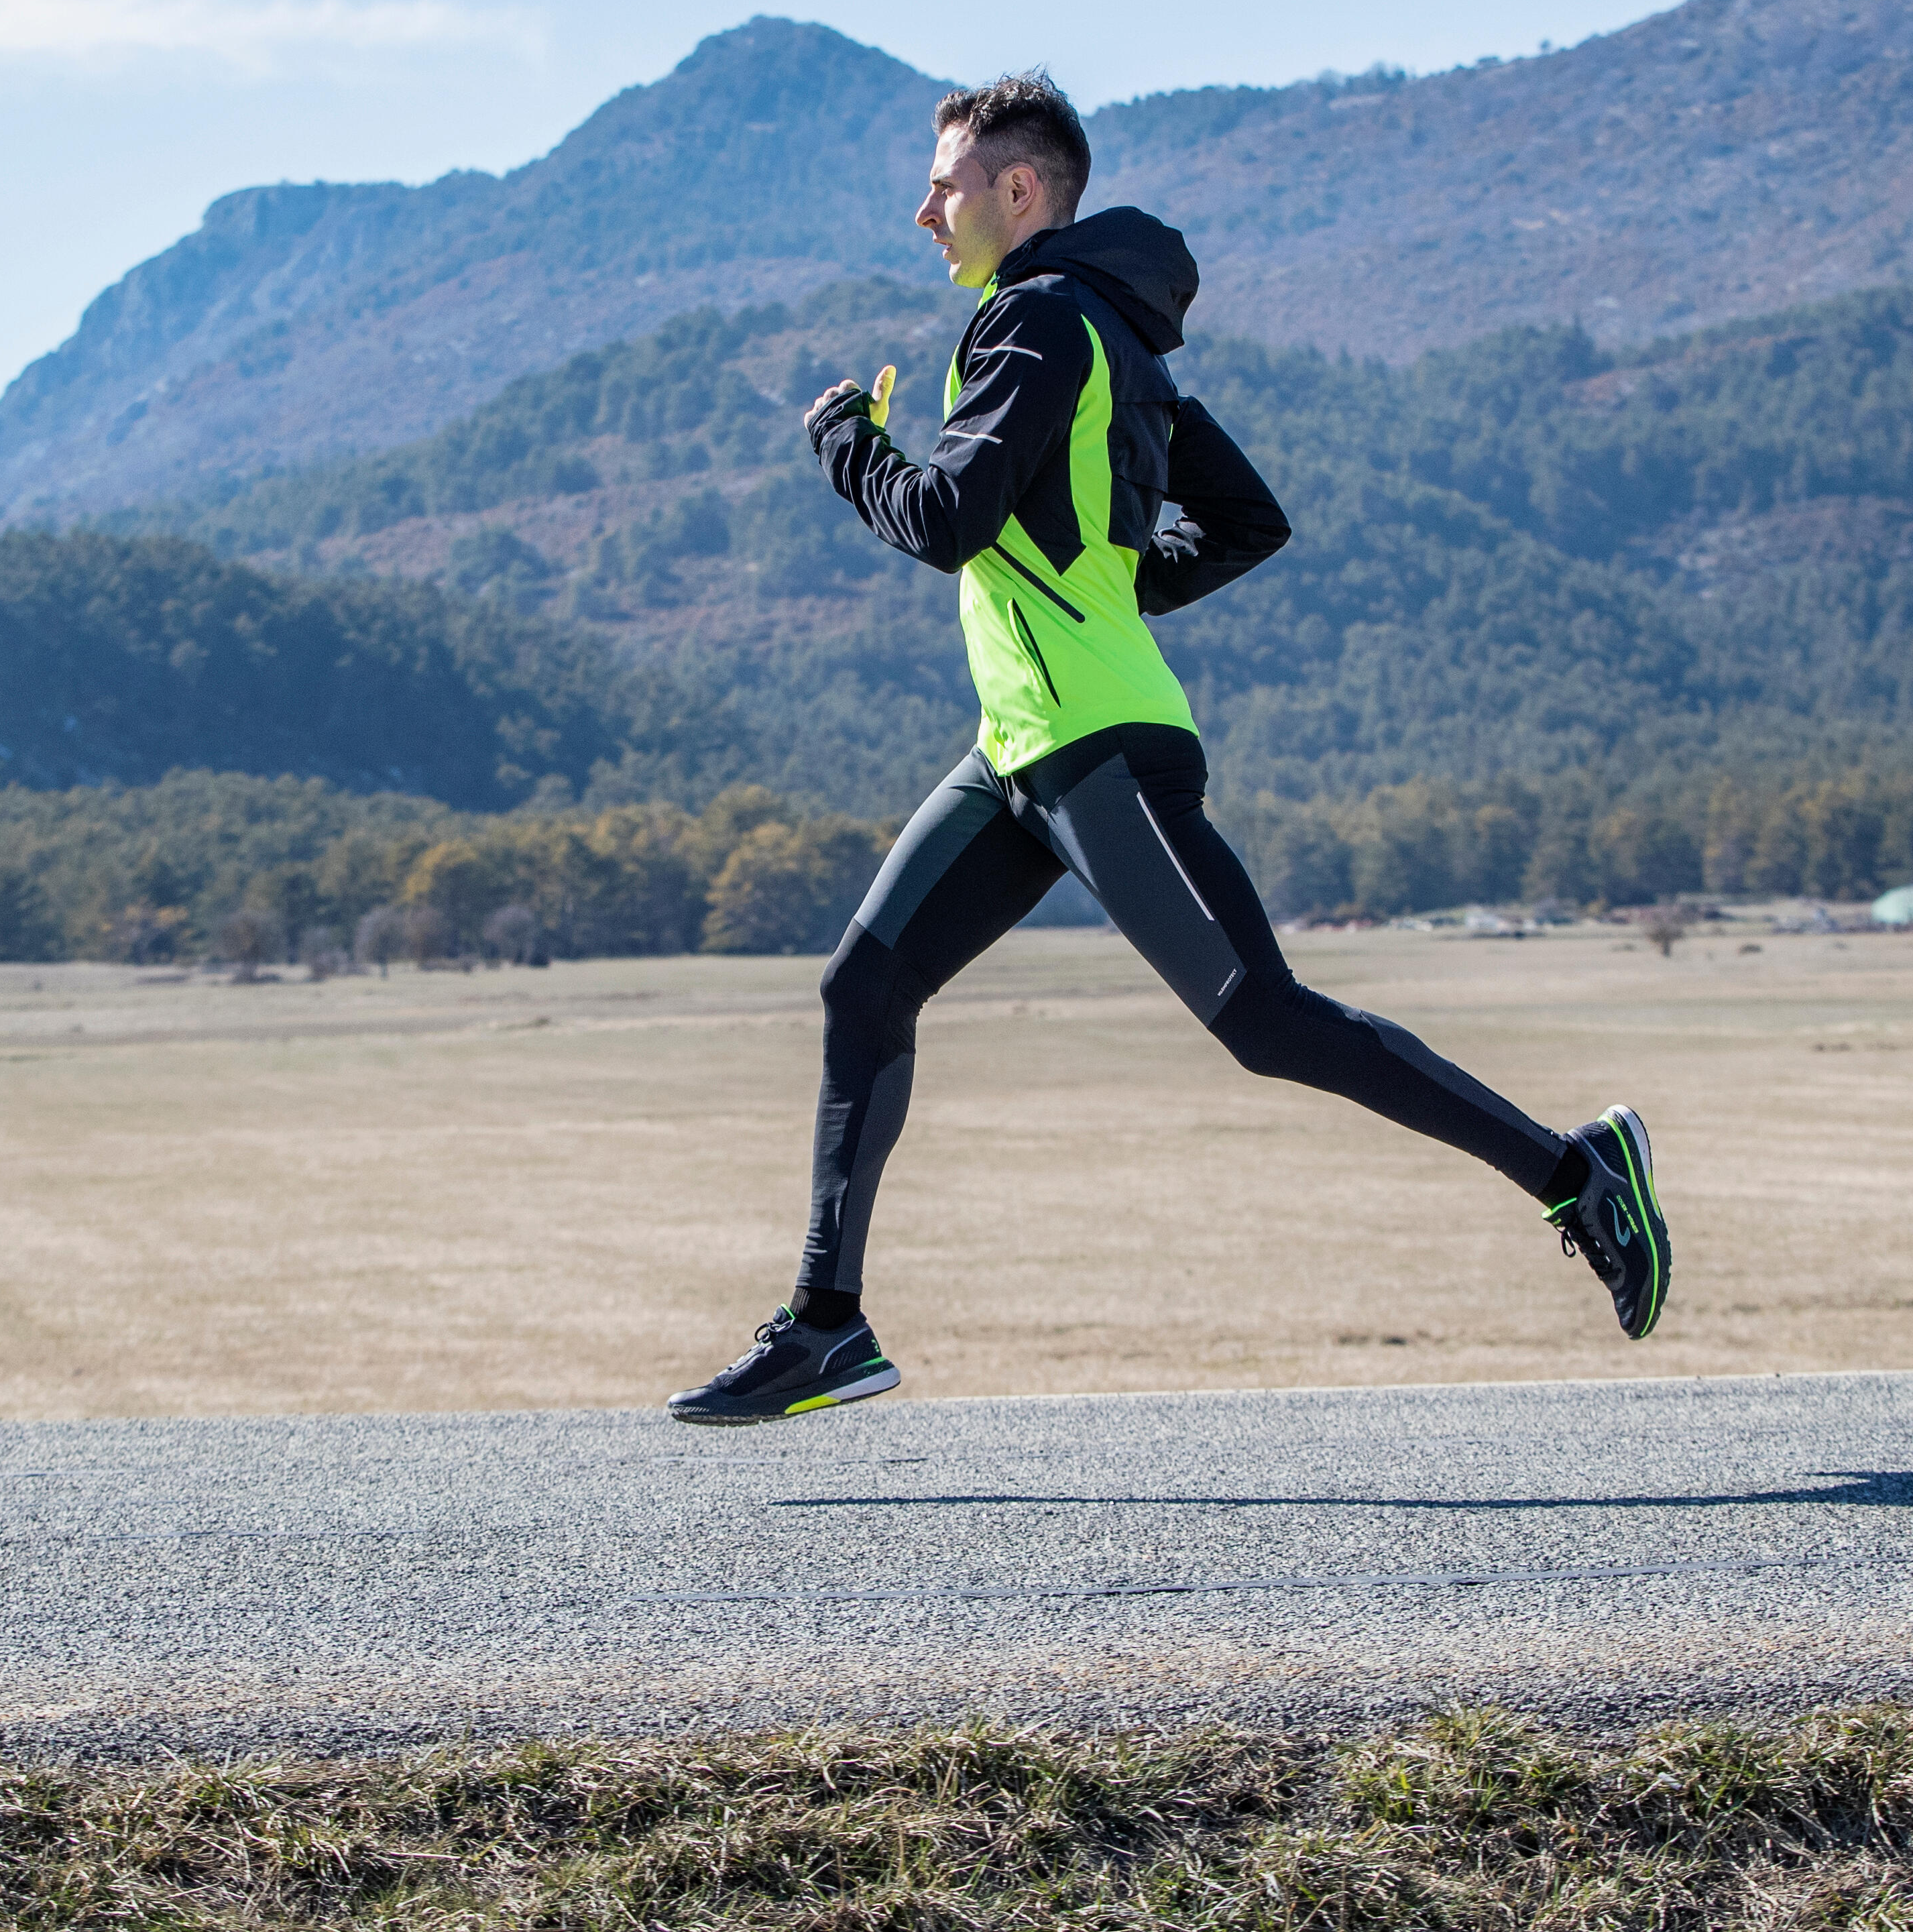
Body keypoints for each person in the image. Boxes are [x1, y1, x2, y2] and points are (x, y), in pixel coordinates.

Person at [667, 72, 1670, 1425]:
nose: (925, 211)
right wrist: (1110, 581)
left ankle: (1576, 1173)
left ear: (1019, 193)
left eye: (945, 185)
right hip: (1019, 752)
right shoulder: (1109, 338)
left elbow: (949, 518)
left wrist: (853, 452)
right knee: (863, 988)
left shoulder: (1032, 325)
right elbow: (1246, 521)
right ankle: (826, 1325)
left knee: (1263, 1019)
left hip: (1099, 748)